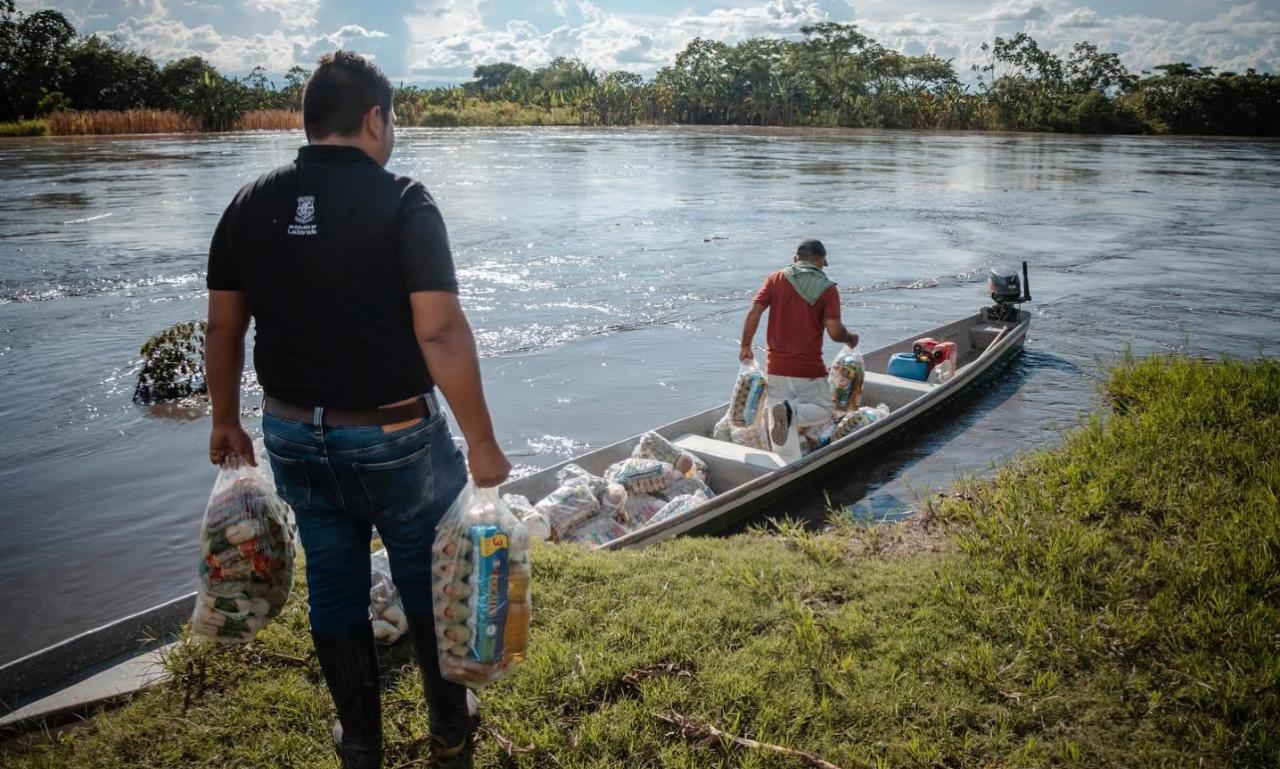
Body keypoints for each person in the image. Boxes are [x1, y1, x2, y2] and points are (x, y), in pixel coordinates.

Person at [203, 50, 510, 768]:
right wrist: (483, 441)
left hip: (290, 434)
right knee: (429, 580)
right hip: (396, 434)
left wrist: (225, 418)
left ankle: (362, 741)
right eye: (392, 117)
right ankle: (448, 730)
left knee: (333, 585)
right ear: (375, 118)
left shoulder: (250, 202)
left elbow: (223, 327)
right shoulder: (404, 200)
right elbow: (439, 329)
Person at [739, 238, 858, 460]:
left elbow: (755, 311)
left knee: (781, 428)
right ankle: (792, 411)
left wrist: (746, 345)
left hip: (775, 367)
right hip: (808, 369)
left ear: (796, 259)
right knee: (823, 410)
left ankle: (785, 464)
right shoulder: (828, 289)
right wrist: (850, 338)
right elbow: (834, 331)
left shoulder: (775, 279)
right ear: (821, 261)